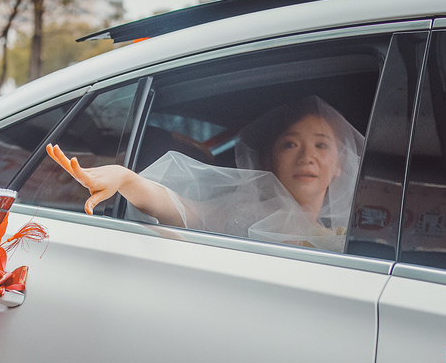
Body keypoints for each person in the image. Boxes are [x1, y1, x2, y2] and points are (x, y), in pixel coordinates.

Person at [46, 96, 364, 251]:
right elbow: (183, 210)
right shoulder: (246, 217)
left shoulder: (355, 242)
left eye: (322, 146)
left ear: (340, 164)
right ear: (269, 159)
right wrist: (128, 179)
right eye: (290, 144)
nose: (307, 157)